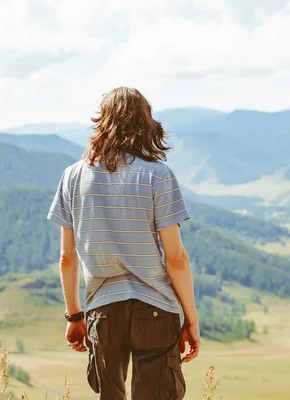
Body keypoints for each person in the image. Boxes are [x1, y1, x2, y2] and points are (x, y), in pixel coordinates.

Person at [47, 87, 200, 400]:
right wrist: (191, 320)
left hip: (103, 310)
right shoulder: (158, 175)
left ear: (101, 121)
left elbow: (67, 258)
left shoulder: (73, 177)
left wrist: (75, 316)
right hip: (157, 308)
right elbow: (176, 259)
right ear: (146, 123)